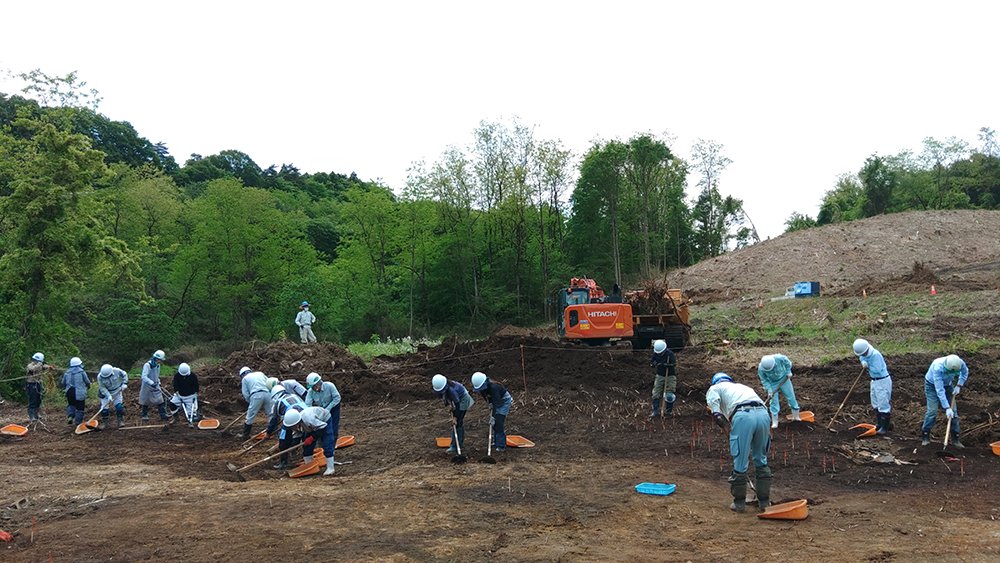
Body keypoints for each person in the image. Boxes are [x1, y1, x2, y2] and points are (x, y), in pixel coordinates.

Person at [706, 372, 773, 513]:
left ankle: (739, 503)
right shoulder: (743, 387)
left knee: (740, 459)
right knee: (761, 458)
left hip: (743, 416)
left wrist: (727, 429)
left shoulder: (714, 389)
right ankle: (764, 502)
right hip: (764, 414)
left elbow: (717, 415)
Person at [921, 354, 969, 447]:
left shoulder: (960, 363)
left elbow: (965, 372)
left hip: (948, 385)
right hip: (932, 386)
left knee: (954, 413)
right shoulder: (937, 367)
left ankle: (956, 439)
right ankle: (925, 436)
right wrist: (947, 407)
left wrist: (959, 385)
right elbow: (940, 391)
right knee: (932, 412)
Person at [853, 338, 893, 435]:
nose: (862, 356)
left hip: (882, 381)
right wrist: (863, 362)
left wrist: (868, 365)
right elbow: (862, 358)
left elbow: (878, 370)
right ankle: (879, 423)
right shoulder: (864, 354)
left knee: (883, 403)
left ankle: (885, 427)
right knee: (875, 402)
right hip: (874, 381)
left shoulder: (875, 355)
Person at [283, 406, 337, 476]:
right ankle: (309, 466)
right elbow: (296, 438)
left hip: (324, 422)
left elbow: (323, 428)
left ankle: (330, 468)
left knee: (327, 444)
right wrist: (292, 447)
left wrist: (312, 438)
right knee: (307, 447)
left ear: (296, 423)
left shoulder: (308, 419)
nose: (291, 428)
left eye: (291, 427)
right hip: (311, 427)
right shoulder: (297, 426)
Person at [266, 384, 305, 470]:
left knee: (283, 440)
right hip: (305, 416)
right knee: (302, 434)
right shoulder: (294, 395)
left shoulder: (278, 402)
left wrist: (269, 432)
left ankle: (283, 462)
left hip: (291, 418)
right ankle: (298, 453)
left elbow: (274, 419)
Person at [432, 374, 474, 454]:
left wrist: (455, 417)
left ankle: (456, 446)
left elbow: (457, 405)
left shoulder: (452, 390)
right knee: (458, 423)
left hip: (464, 400)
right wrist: (449, 406)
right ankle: (458, 444)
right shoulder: (444, 386)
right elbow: (445, 397)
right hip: (458, 400)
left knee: (457, 423)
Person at [471, 371, 512, 452]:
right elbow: (487, 398)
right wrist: (489, 403)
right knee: (494, 425)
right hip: (495, 402)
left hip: (504, 402)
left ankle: (501, 446)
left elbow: (497, 402)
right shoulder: (483, 389)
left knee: (498, 422)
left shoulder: (494, 387)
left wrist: (493, 416)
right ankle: (496, 441)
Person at [757, 354, 801, 428]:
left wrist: (788, 371)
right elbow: (764, 380)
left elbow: (787, 363)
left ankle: (796, 417)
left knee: (791, 397)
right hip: (772, 383)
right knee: (773, 402)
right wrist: (769, 390)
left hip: (784, 379)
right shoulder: (761, 369)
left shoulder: (779, 358)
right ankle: (775, 422)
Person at [304, 372, 341, 449]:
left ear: (318, 384)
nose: (313, 389)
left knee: (333, 427)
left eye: (313, 386)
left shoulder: (330, 386)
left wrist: (328, 408)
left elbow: (337, 398)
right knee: (320, 427)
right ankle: (321, 446)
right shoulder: (310, 392)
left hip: (333, 407)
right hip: (321, 410)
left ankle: (332, 446)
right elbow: (307, 405)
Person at [240, 366, 273, 439]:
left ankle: (245, 434)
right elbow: (269, 383)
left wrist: (251, 403)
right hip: (268, 393)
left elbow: (245, 394)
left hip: (255, 395)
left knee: (250, 415)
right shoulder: (260, 373)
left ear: (242, 375)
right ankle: (273, 432)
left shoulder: (245, 379)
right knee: (271, 414)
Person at [649, 339, 678, 418]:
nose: (660, 354)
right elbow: (652, 362)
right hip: (660, 375)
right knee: (655, 394)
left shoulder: (670, 354)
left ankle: (669, 412)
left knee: (669, 395)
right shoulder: (655, 354)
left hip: (670, 375)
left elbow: (674, 364)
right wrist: (653, 364)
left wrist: (666, 365)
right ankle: (655, 411)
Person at [139, 350, 169, 422]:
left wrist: (158, 382)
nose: (161, 361)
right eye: (160, 360)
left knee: (160, 399)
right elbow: (143, 376)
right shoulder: (147, 365)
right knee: (145, 400)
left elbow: (156, 375)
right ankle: (144, 415)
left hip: (155, 384)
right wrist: (151, 383)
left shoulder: (158, 365)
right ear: (157, 359)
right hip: (147, 385)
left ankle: (163, 414)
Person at [25, 352, 55, 423]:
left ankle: (36, 414)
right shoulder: (30, 365)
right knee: (33, 400)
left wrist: (50, 367)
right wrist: (40, 364)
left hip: (38, 384)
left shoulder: (40, 365)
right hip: (31, 384)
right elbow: (33, 369)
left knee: (38, 399)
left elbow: (44, 366)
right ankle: (31, 416)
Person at [97, 363, 129, 428]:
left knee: (119, 407)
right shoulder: (99, 377)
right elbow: (102, 388)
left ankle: (120, 421)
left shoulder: (117, 371)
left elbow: (124, 374)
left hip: (117, 391)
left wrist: (124, 383)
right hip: (105, 393)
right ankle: (105, 423)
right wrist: (108, 396)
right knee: (104, 409)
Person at [62, 357, 90, 426]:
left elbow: (63, 382)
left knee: (71, 404)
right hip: (79, 392)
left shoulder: (67, 372)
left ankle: (70, 416)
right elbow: (87, 381)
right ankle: (78, 422)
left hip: (69, 391)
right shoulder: (81, 372)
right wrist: (88, 386)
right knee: (80, 407)